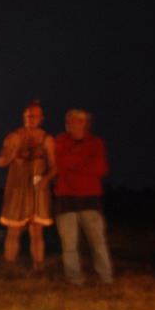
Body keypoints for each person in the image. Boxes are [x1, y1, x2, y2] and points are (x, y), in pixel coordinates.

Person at [54, 109, 113, 285]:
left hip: (89, 198)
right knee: (69, 245)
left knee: (98, 243)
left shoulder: (96, 143)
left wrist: (73, 161)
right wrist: (83, 160)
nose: (70, 123)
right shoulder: (60, 140)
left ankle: (106, 278)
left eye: (75, 121)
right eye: (68, 120)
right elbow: (60, 163)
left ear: (85, 123)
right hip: (65, 198)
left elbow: (100, 168)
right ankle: (74, 279)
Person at [0, 100, 56, 273]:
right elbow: (0, 162)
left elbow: (54, 166)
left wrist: (46, 178)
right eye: (29, 115)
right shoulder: (14, 136)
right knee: (13, 230)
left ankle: (38, 268)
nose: (32, 118)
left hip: (37, 188)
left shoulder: (46, 138)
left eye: (35, 115)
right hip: (18, 187)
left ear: (41, 118)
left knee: (36, 231)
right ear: (24, 116)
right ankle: (9, 267)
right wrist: (11, 155)